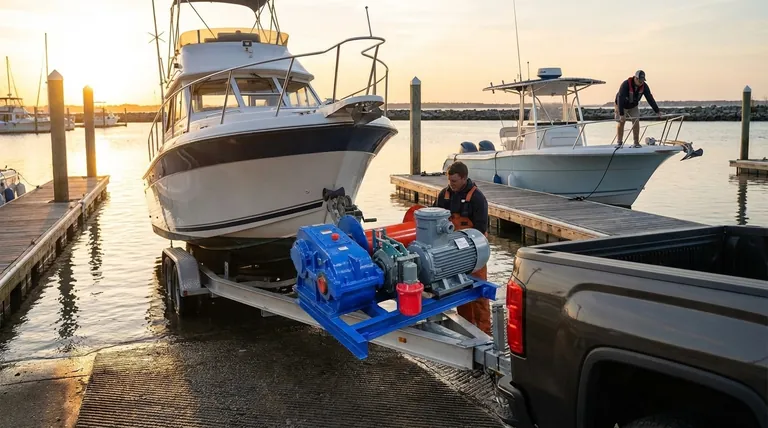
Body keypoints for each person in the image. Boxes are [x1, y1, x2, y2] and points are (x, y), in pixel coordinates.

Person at [432, 161, 491, 335]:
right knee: (460, 292)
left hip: (475, 253)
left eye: (454, 181)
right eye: (449, 180)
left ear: (464, 178)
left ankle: (485, 332)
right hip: (453, 254)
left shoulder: (477, 198)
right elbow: (435, 219)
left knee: (479, 294)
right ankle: (467, 330)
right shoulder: (444, 196)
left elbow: (481, 229)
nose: (451, 184)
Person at [615, 70, 662, 147]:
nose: (641, 83)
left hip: (633, 106)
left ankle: (636, 142)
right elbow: (620, 98)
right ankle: (619, 142)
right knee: (621, 121)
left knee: (636, 121)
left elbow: (650, 98)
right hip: (621, 105)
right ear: (635, 78)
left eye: (643, 81)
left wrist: (657, 111)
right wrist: (621, 114)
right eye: (640, 81)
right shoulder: (625, 84)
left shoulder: (644, 86)